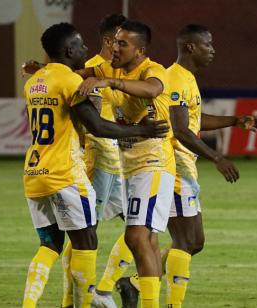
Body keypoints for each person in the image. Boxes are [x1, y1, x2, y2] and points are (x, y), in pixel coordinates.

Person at [21, 22, 168, 308]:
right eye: (80, 45)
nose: (87, 50)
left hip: (34, 173)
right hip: (67, 173)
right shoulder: (71, 81)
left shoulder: (34, 81)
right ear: (68, 50)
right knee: (86, 243)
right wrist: (142, 130)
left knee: (49, 245)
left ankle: (29, 304)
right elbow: (98, 126)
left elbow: (149, 87)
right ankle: (85, 303)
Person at [77, 20, 175, 308]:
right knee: (148, 241)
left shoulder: (151, 70)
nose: (114, 47)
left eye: (122, 43)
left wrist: (110, 82)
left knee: (136, 235)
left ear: (140, 50)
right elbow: (77, 73)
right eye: (114, 41)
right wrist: (47, 71)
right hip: (130, 166)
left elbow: (152, 89)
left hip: (154, 163)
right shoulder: (111, 67)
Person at [163, 24, 257, 307]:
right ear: (190, 47)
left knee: (195, 242)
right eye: (207, 44)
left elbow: (194, 120)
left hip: (185, 168)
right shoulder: (176, 78)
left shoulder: (187, 79)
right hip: (175, 168)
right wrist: (217, 157)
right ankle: (170, 302)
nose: (213, 50)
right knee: (185, 241)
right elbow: (180, 130)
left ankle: (135, 280)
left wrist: (234, 121)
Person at [58, 14, 132, 308]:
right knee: (84, 234)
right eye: (122, 40)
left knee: (144, 228)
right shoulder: (85, 74)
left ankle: (102, 290)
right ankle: (72, 301)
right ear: (108, 40)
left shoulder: (118, 72)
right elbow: (64, 79)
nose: (126, 46)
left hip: (120, 164)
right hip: (98, 161)